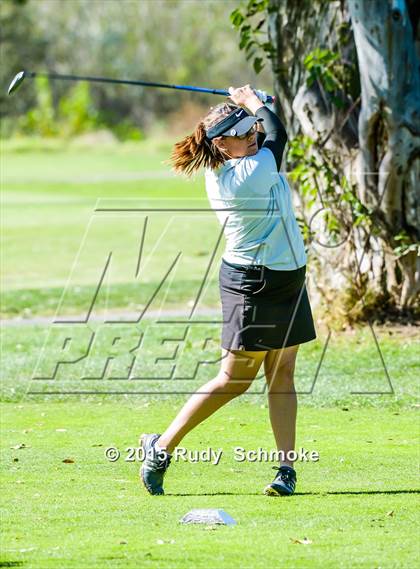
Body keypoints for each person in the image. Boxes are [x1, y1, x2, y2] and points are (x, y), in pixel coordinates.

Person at [140, 84, 317, 497]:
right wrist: (256, 103)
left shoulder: (247, 158)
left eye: (253, 130)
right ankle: (161, 447)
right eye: (244, 134)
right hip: (252, 283)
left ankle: (285, 470)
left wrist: (255, 108)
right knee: (234, 380)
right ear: (222, 144)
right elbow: (279, 136)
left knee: (283, 373)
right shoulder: (243, 175)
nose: (254, 137)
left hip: (288, 276)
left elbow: (267, 129)